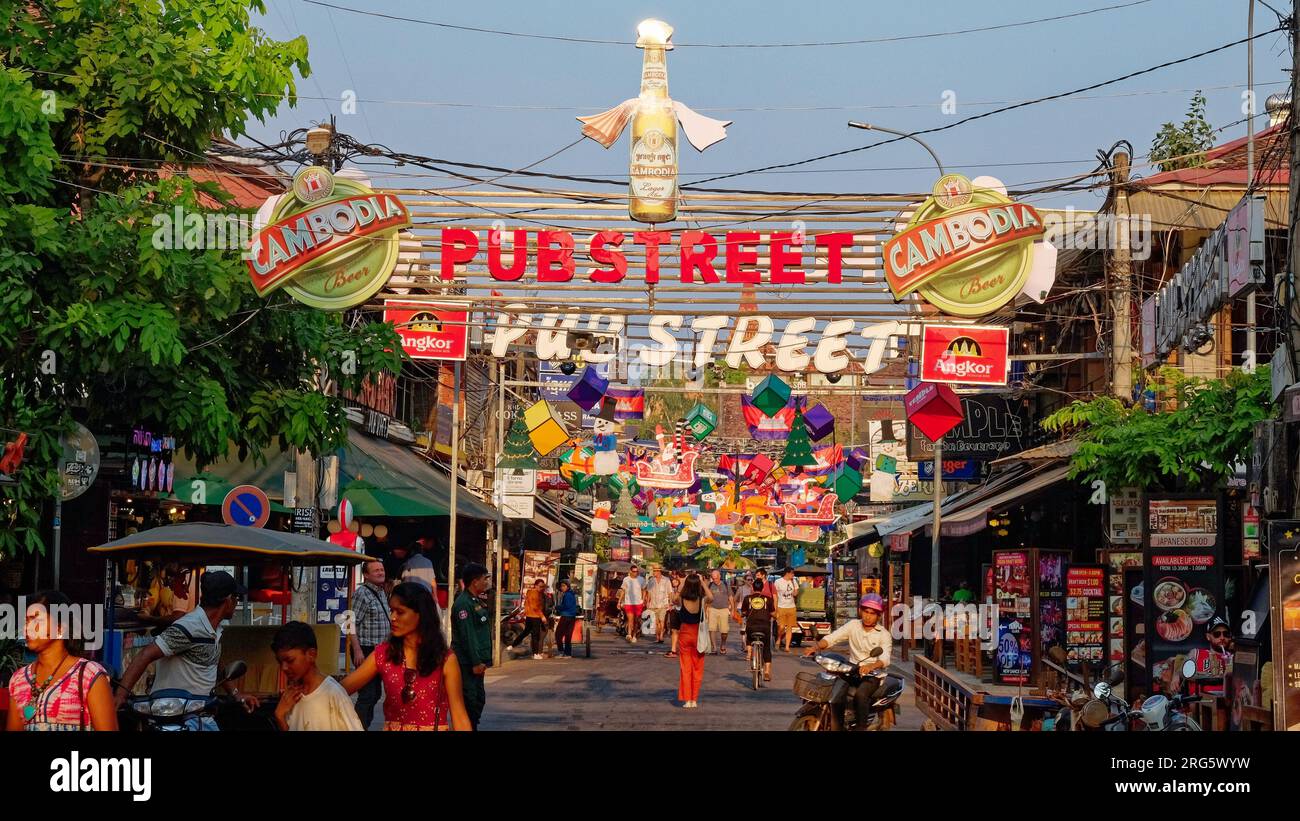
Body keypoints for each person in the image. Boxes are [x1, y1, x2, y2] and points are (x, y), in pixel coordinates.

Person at [114, 570, 259, 729]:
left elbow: (212, 662)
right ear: (228, 601)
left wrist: (237, 694)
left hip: (201, 717)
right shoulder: (189, 627)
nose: (236, 602)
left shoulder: (213, 629)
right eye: (236, 598)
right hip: (177, 720)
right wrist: (121, 695)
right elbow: (145, 654)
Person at [340, 582, 472, 731]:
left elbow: (460, 717)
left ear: (421, 615)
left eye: (400, 612)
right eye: (391, 611)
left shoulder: (446, 659)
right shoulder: (383, 654)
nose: (393, 618)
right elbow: (338, 691)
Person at [6, 591, 117, 731]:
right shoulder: (19, 680)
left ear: (60, 628)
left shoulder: (89, 676)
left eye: (36, 620)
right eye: (26, 621)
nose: (27, 627)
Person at [804, 593, 892, 731]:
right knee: (834, 690)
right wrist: (815, 647)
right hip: (852, 670)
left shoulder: (884, 634)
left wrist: (871, 666)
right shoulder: (853, 625)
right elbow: (833, 638)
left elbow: (885, 658)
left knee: (861, 694)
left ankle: (861, 727)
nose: (868, 616)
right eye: (865, 611)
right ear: (860, 611)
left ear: (878, 616)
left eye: (872, 613)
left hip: (873, 675)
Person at [271, 621, 363, 731]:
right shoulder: (291, 697)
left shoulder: (333, 695)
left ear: (311, 654)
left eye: (290, 660)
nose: (284, 668)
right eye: (280, 662)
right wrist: (280, 717)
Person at [348, 559, 391, 730]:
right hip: (366, 650)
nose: (381, 573)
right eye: (376, 571)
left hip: (381, 650)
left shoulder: (381, 592)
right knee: (367, 694)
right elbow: (351, 622)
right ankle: (357, 727)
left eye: (382, 569)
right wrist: (357, 650)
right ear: (366, 575)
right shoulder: (362, 594)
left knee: (375, 694)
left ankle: (363, 725)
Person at [451, 563, 493, 729]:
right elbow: (468, 636)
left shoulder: (475, 600)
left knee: (478, 700)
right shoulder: (464, 604)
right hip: (467, 663)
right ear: (475, 582)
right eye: (485, 579)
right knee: (470, 701)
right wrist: (476, 662)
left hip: (477, 662)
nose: (487, 582)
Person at [676, 573, 708, 708]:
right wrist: (703, 583)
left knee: (686, 667)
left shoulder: (682, 598)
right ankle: (694, 699)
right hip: (698, 634)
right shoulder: (702, 598)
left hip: (684, 633)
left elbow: (673, 598)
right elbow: (711, 597)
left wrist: (682, 582)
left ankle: (687, 699)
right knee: (698, 667)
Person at [741, 577, 776, 682]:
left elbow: (743, 612)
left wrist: (746, 613)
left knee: (749, 635)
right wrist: (775, 616)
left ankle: (750, 651)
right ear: (762, 588)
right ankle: (767, 672)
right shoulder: (768, 599)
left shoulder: (748, 599)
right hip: (765, 627)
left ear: (752, 587)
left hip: (751, 627)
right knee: (766, 648)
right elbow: (773, 613)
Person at [512, 578, 548, 659]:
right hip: (535, 616)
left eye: (543, 587)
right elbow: (536, 607)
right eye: (540, 586)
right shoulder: (535, 594)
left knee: (526, 632)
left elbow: (526, 604)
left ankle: (513, 645)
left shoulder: (530, 593)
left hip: (529, 616)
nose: (542, 588)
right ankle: (535, 654)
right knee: (535, 635)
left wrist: (524, 613)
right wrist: (542, 616)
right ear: (535, 586)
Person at [705, 568, 732, 654]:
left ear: (720, 576)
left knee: (724, 630)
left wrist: (733, 610)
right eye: (713, 578)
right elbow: (706, 599)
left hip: (724, 609)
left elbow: (731, 597)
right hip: (712, 608)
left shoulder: (725, 584)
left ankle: (723, 644)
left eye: (716, 578)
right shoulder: (710, 585)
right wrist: (705, 610)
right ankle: (714, 647)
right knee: (712, 629)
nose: (715, 580)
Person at [618, 565, 646, 643]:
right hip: (628, 602)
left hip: (638, 603)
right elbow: (623, 591)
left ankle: (634, 635)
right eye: (633, 571)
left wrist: (643, 600)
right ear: (630, 571)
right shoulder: (626, 579)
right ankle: (629, 634)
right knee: (630, 619)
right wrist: (619, 601)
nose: (635, 573)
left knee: (636, 621)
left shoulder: (641, 579)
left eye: (636, 571)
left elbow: (644, 590)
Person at [773, 566, 799, 653]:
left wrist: (795, 588)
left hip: (791, 607)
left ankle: (787, 647)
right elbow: (775, 595)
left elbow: (795, 594)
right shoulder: (778, 582)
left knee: (789, 627)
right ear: (787, 573)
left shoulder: (794, 581)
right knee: (781, 627)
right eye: (792, 573)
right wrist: (775, 607)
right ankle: (779, 638)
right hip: (781, 606)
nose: (793, 575)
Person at [645, 566, 673, 643]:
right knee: (656, 622)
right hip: (653, 604)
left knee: (662, 621)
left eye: (655, 571)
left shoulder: (666, 580)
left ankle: (661, 636)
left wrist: (670, 602)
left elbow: (670, 592)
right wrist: (647, 602)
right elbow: (649, 592)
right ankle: (657, 637)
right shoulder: (651, 580)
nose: (654, 573)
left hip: (663, 604)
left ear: (659, 571)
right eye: (653, 571)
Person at [554, 580, 580, 657]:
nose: (562, 588)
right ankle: (568, 653)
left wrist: (557, 607)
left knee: (558, 634)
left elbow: (566, 606)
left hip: (566, 616)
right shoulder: (571, 594)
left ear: (568, 587)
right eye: (561, 586)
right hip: (572, 617)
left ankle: (561, 651)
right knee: (568, 635)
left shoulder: (567, 595)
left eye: (564, 586)